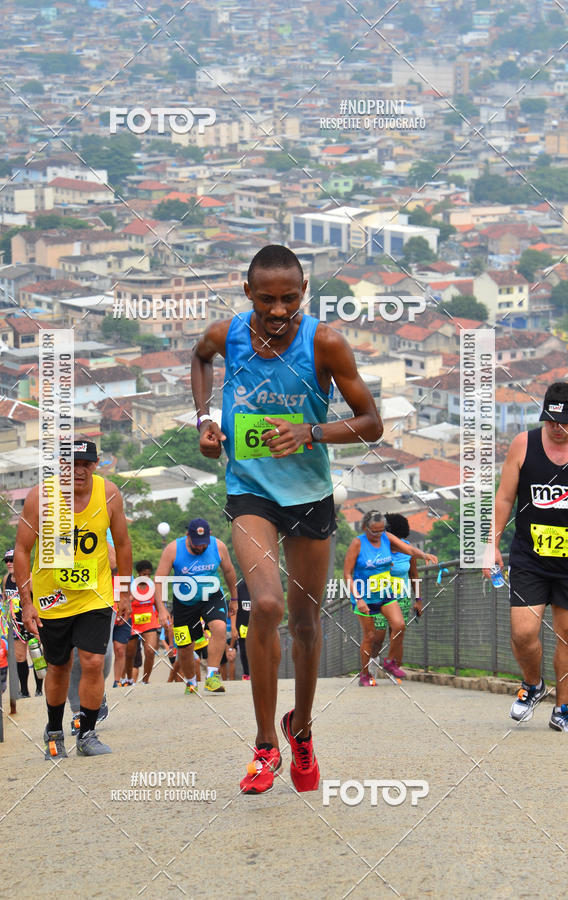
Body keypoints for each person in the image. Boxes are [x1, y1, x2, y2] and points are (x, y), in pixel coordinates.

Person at [191, 244, 383, 794]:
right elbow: (200, 359)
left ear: (304, 294)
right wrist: (204, 420)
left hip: (310, 496)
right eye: (268, 299)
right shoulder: (226, 335)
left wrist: (312, 432)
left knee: (304, 621)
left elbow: (373, 423)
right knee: (267, 604)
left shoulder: (324, 343)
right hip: (251, 491)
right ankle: (263, 746)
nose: (278, 310)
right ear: (247, 292)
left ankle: (300, 729)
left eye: (290, 299)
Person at [14, 438, 132, 759]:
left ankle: (87, 732)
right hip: (53, 597)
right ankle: (54, 731)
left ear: (96, 465)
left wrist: (123, 590)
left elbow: (122, 544)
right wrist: (27, 602)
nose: (78, 471)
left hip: (95, 593)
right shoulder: (40, 497)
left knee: (93, 661)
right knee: (59, 665)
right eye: (71, 465)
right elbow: (23, 550)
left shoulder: (108, 494)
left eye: (86, 464)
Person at [486, 382, 568, 730]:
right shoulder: (524, 444)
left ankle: (563, 707)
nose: (556, 427)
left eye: (563, 422)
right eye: (551, 420)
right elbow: (505, 498)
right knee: (523, 633)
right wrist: (492, 542)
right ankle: (533, 684)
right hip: (529, 557)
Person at [344, 511, 437, 685]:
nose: (378, 535)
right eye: (374, 532)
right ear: (365, 528)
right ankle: (365, 675)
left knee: (399, 625)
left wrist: (423, 555)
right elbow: (347, 574)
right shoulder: (358, 544)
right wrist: (358, 599)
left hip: (386, 593)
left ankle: (390, 662)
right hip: (365, 595)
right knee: (370, 636)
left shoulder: (386, 538)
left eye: (381, 531)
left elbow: (408, 549)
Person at [155, 519, 237, 694]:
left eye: (204, 543)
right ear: (188, 536)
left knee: (220, 627)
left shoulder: (218, 546)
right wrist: (161, 608)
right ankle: (191, 681)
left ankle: (212, 677)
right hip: (184, 602)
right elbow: (159, 579)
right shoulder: (173, 549)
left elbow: (229, 571)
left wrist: (234, 598)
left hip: (211, 596)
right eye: (196, 544)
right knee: (185, 647)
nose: (200, 548)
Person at [361, 513, 425, 685]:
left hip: (402, 597)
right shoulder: (379, 548)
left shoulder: (407, 550)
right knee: (377, 637)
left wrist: (418, 599)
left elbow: (414, 575)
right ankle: (372, 665)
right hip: (380, 597)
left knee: (397, 635)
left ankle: (393, 668)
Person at [3, 549, 44, 698]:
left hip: (31, 622)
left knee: (36, 654)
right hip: (16, 625)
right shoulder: (6, 578)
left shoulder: (30, 578)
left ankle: (39, 689)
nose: (8, 563)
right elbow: (4, 599)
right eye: (6, 560)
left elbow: (39, 600)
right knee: (20, 657)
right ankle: (24, 691)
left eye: (11, 560)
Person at [125, 560, 169, 684]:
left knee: (150, 651)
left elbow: (159, 604)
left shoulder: (153, 588)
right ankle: (129, 679)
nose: (147, 577)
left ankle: (145, 680)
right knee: (129, 654)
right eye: (144, 574)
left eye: (149, 574)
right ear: (138, 574)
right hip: (133, 622)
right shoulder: (131, 587)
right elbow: (123, 602)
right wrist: (131, 597)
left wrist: (164, 616)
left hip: (149, 622)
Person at [236, 579, 251, 680]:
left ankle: (259, 673)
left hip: (258, 625)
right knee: (244, 650)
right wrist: (234, 627)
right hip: (243, 626)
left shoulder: (262, 584)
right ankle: (246, 674)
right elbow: (234, 609)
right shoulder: (240, 586)